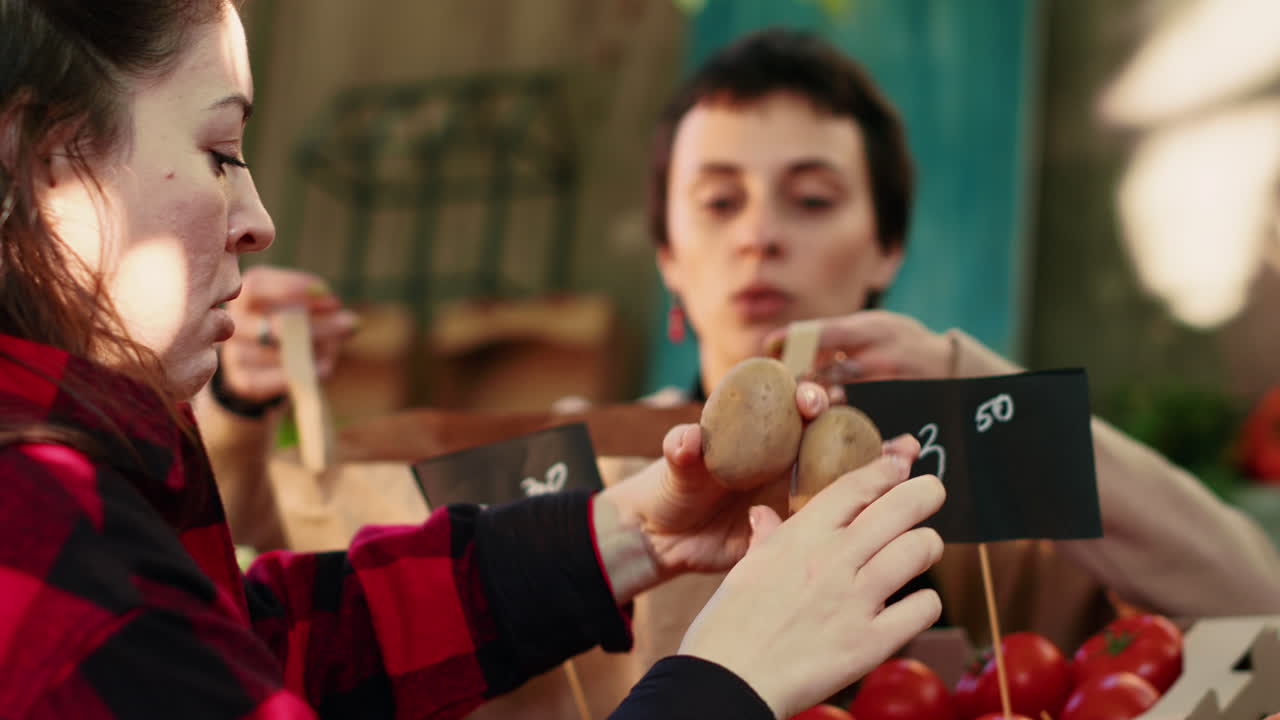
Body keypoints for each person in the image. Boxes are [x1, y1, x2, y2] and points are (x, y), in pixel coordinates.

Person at [0, 2, 950, 719]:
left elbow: (264, 642)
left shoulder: (86, 497)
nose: (259, 221)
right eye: (218, 150)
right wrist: (723, 682)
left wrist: (629, 535)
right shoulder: (42, 534)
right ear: (50, 162)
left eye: (812, 199)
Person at [640, 26, 1280, 658]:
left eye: (811, 199)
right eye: (720, 202)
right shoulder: (604, 485)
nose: (759, 234)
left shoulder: (980, 487)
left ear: (887, 249)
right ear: (667, 253)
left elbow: (1259, 599)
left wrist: (989, 396)